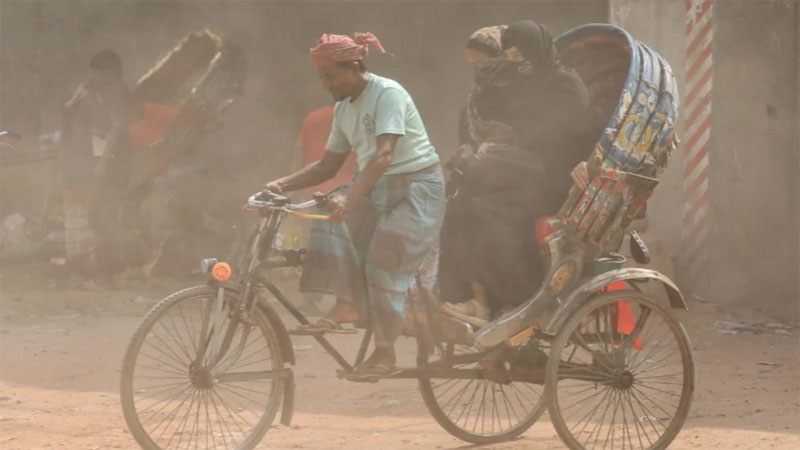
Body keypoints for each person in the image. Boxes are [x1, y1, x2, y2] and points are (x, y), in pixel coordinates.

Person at [263, 33, 444, 379]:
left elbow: (384, 154)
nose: (326, 85)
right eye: (322, 78)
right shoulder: (344, 108)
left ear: (355, 67)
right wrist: (279, 185)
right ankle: (346, 303)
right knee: (324, 215)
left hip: (417, 187)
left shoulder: (387, 93)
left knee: (381, 264)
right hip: (376, 185)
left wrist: (349, 196)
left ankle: (385, 352)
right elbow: (327, 166)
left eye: (332, 77)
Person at [439, 21, 593, 325]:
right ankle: (476, 298)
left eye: (520, 56)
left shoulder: (565, 84)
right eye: (509, 56)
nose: (515, 64)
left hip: (558, 179)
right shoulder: (520, 89)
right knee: (462, 202)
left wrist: (586, 162)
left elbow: (587, 133)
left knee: (487, 210)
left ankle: (518, 299)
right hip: (528, 172)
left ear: (537, 52)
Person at [60, 49, 132, 288]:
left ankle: (109, 272)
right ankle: (120, 266)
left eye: (99, 72)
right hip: (103, 161)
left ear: (110, 71)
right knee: (100, 215)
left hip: (114, 163)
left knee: (101, 216)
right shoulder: (98, 92)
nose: (95, 77)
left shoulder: (118, 93)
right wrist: (75, 100)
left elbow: (117, 127)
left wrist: (103, 162)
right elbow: (73, 117)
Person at [289, 105, 357, 315]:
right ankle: (345, 301)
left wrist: (293, 189)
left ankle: (309, 300)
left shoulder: (313, 117)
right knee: (346, 249)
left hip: (315, 194)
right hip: (346, 196)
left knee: (315, 250)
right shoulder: (355, 121)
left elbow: (298, 158)